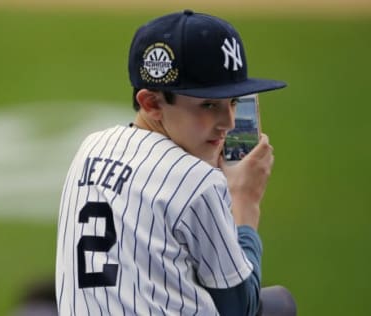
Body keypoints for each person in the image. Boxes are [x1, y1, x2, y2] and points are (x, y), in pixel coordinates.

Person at [56, 10, 294, 315]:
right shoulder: (195, 180)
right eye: (209, 105)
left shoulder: (90, 148)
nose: (228, 123)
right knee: (279, 305)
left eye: (233, 102)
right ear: (152, 103)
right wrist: (244, 199)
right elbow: (239, 307)